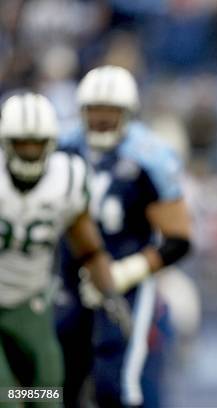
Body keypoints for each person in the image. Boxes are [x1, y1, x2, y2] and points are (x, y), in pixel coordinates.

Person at [57, 65, 191, 407]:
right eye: (94, 109)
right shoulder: (62, 147)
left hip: (125, 281)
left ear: (128, 112)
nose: (101, 118)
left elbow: (178, 240)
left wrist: (125, 272)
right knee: (59, 382)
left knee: (115, 387)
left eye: (111, 110)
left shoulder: (150, 156)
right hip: (65, 275)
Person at [0, 93, 124, 406]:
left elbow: (88, 248)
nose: (29, 152)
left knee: (48, 387)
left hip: (29, 297)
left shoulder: (66, 178)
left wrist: (110, 293)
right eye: (21, 143)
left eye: (36, 143)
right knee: (7, 397)